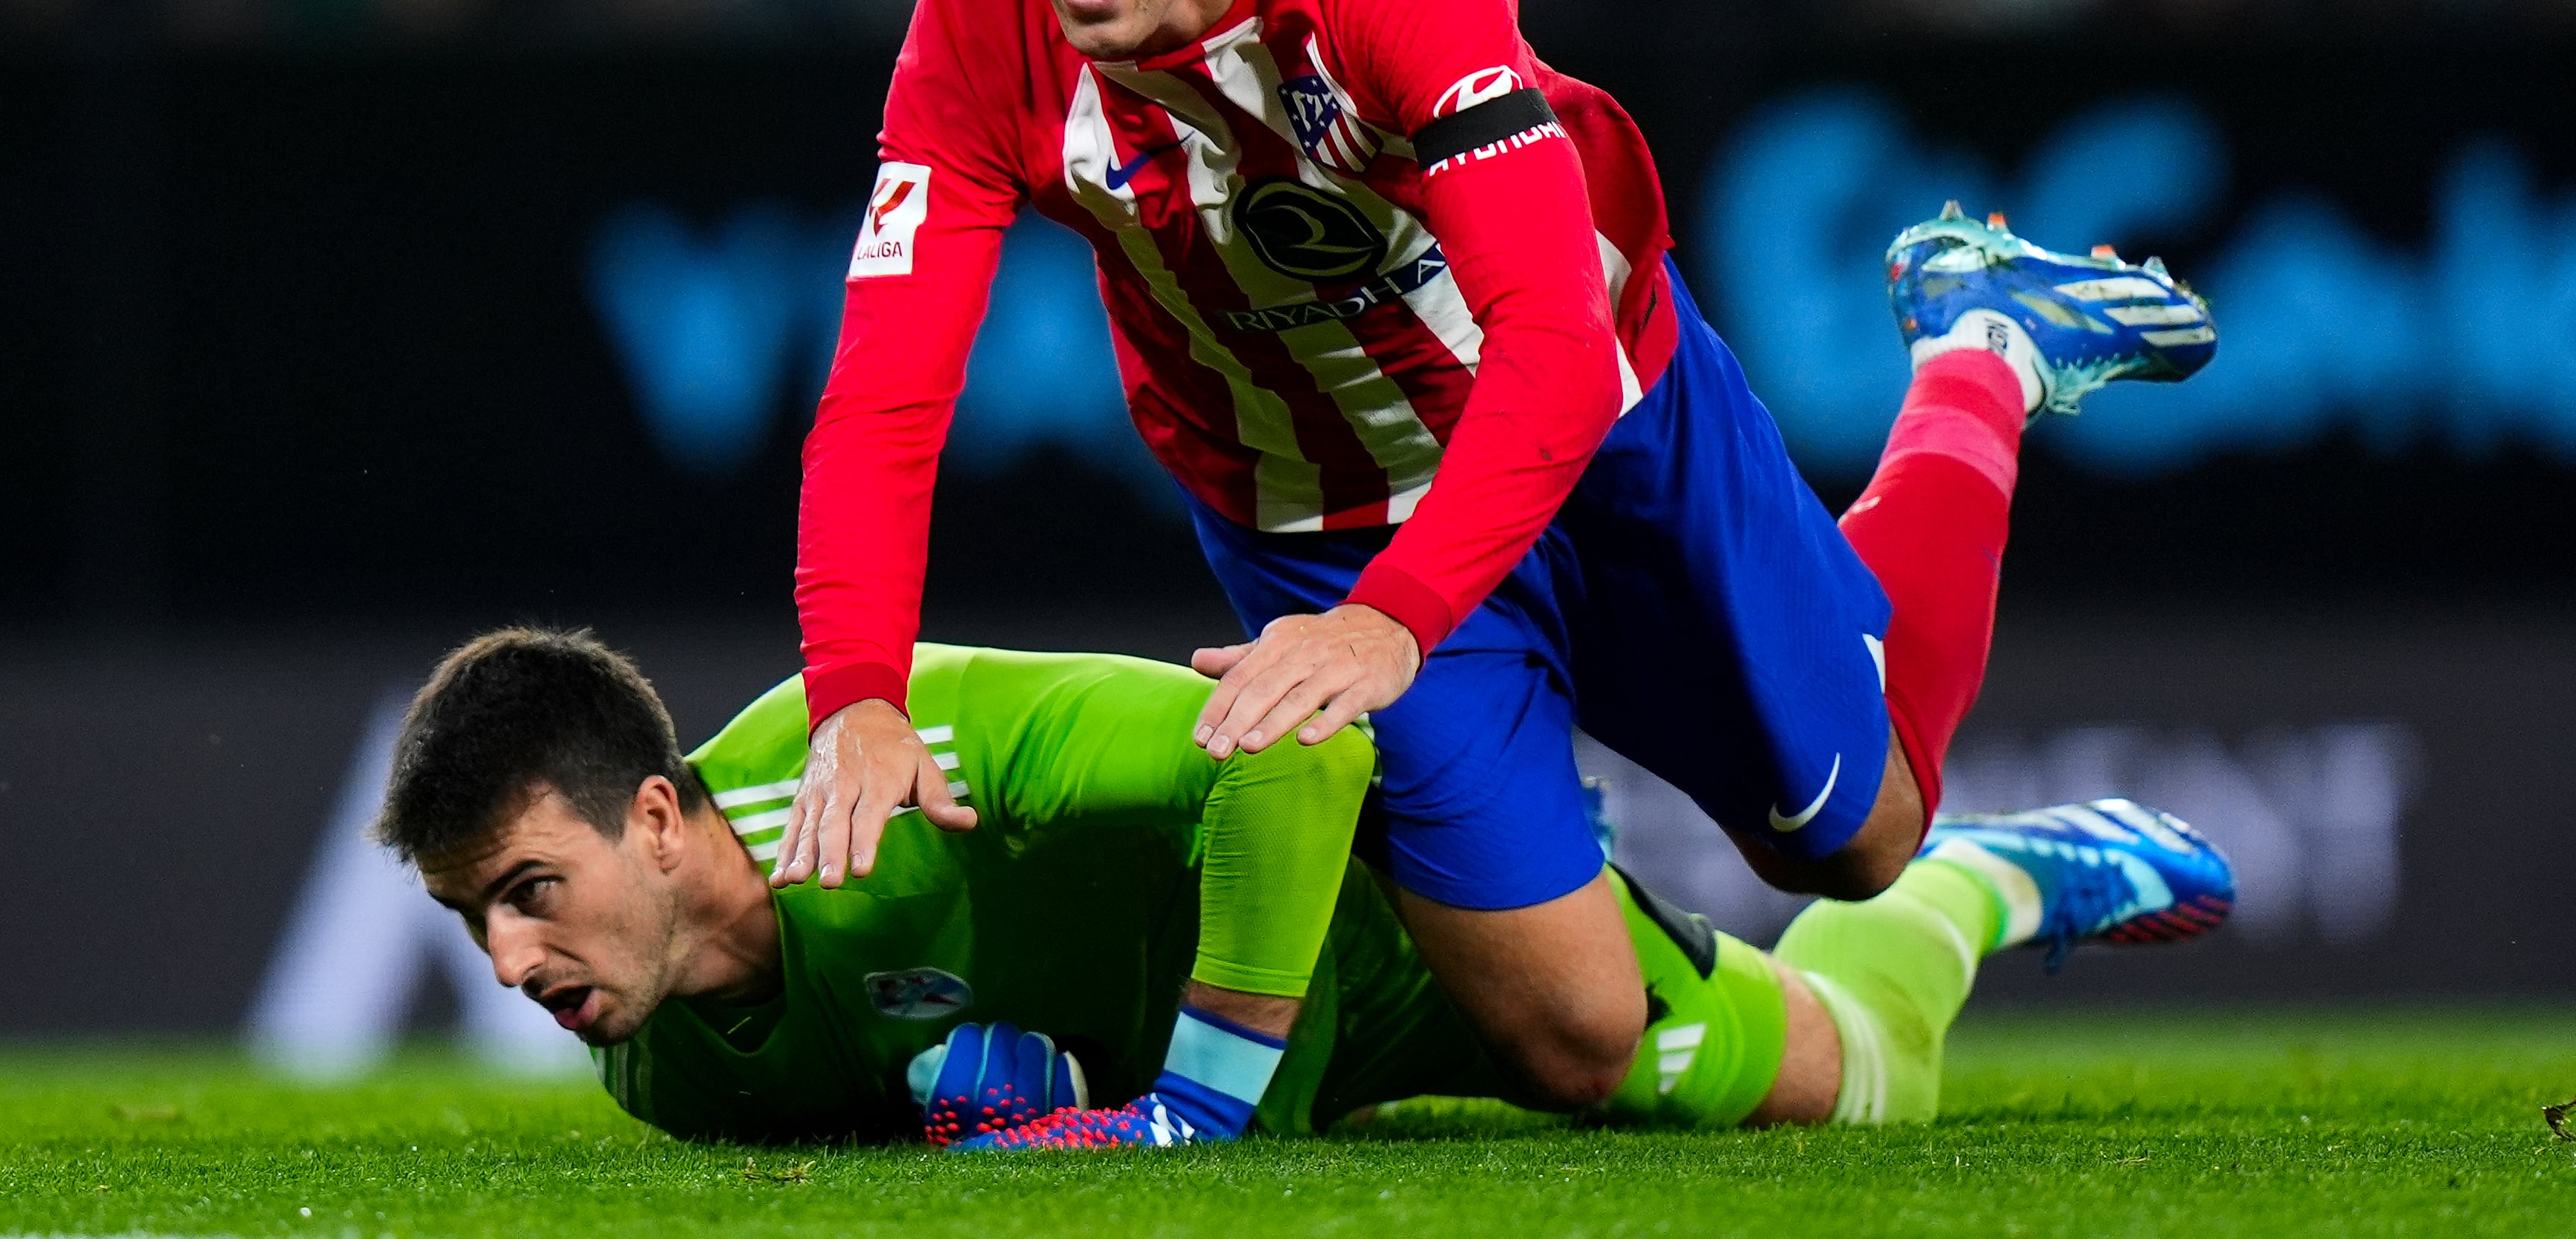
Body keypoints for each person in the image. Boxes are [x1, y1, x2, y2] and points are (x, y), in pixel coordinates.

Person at [781, 0, 2217, 1112]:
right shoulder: (973, 19)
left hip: (1591, 424)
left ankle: (1980, 347)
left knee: (1851, 840)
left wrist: (1394, 626)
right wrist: (858, 696)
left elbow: (1540, 338)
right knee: (1572, 1039)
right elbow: (882, 399)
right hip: (1318, 521)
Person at [380, 629, 2234, 1148]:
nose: (512, 958)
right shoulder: (669, 1077)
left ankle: (1987, 882)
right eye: (477, 921)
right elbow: (940, 1067)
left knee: (1840, 1071)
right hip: (1290, 1046)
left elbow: (1295, 745)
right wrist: (1010, 1088)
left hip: (1418, 940)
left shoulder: (908, 740)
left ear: (661, 811)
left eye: (530, 886)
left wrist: (1185, 1106)